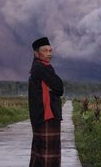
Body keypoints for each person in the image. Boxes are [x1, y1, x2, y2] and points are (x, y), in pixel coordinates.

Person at [28, 37, 64, 167]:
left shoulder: (40, 67)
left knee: (39, 151)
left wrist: (53, 88)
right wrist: (53, 88)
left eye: (50, 50)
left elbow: (56, 86)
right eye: (45, 50)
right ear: (36, 53)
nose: (49, 53)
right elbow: (59, 88)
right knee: (48, 153)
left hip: (41, 115)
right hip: (46, 116)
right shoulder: (41, 67)